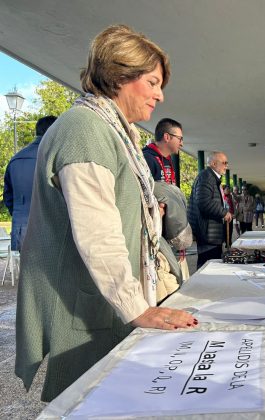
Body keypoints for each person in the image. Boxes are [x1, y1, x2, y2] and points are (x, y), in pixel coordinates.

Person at [15, 25, 197, 402]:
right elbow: (98, 236)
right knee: (91, 402)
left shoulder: (109, 130)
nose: (160, 95)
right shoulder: (85, 130)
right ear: (120, 76)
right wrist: (139, 310)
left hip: (103, 307)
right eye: (153, 82)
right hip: (85, 316)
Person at [3, 115, 57, 251]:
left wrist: (20, 216)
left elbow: (8, 198)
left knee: (25, 271)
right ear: (54, 131)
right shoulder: (55, 156)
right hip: (51, 230)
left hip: (22, 231)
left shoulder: (16, 159)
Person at [188, 151, 232, 269]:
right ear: (213, 163)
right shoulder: (207, 177)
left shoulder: (210, 177)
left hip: (211, 233)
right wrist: (224, 212)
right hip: (208, 233)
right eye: (224, 163)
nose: (226, 166)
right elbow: (203, 202)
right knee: (207, 266)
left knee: (210, 265)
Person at [142, 118, 183, 183]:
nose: (181, 144)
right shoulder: (147, 159)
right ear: (167, 137)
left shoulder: (168, 159)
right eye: (180, 139)